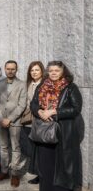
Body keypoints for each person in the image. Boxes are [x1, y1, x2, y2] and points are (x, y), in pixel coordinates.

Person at [30, 61, 83, 191]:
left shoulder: (70, 87)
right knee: (45, 165)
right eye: (51, 70)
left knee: (62, 166)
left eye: (57, 71)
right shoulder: (42, 85)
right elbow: (33, 104)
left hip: (63, 133)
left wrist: (54, 111)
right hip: (44, 132)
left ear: (63, 72)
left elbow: (76, 109)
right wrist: (39, 112)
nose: (53, 73)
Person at [0, 60, 27, 187]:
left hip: (15, 121)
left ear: (16, 69)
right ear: (5, 69)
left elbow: (22, 104)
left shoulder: (22, 84)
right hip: (1, 121)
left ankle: (15, 174)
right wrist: (1, 118)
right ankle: (4, 171)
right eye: (8, 68)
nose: (10, 71)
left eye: (13, 69)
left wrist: (10, 119)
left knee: (16, 148)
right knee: (3, 147)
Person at [20, 61, 44, 185]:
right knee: (30, 148)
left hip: (40, 122)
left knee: (40, 150)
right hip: (28, 121)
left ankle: (42, 176)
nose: (34, 72)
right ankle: (37, 172)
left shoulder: (45, 84)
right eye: (32, 70)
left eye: (37, 70)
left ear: (42, 71)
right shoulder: (28, 84)